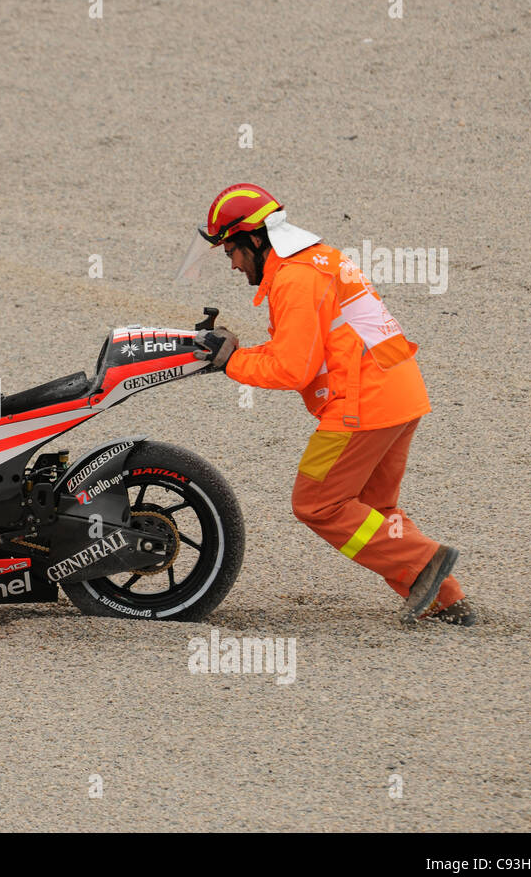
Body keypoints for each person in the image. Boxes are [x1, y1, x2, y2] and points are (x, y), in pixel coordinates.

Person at [183, 183, 473, 626]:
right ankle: (446, 601)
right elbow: (305, 351)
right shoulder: (317, 260)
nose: (233, 264)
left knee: (317, 502)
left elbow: (293, 369)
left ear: (255, 240)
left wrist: (232, 363)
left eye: (231, 252)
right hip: (399, 391)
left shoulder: (294, 280)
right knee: (374, 510)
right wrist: (236, 353)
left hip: (362, 407)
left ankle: (427, 560)